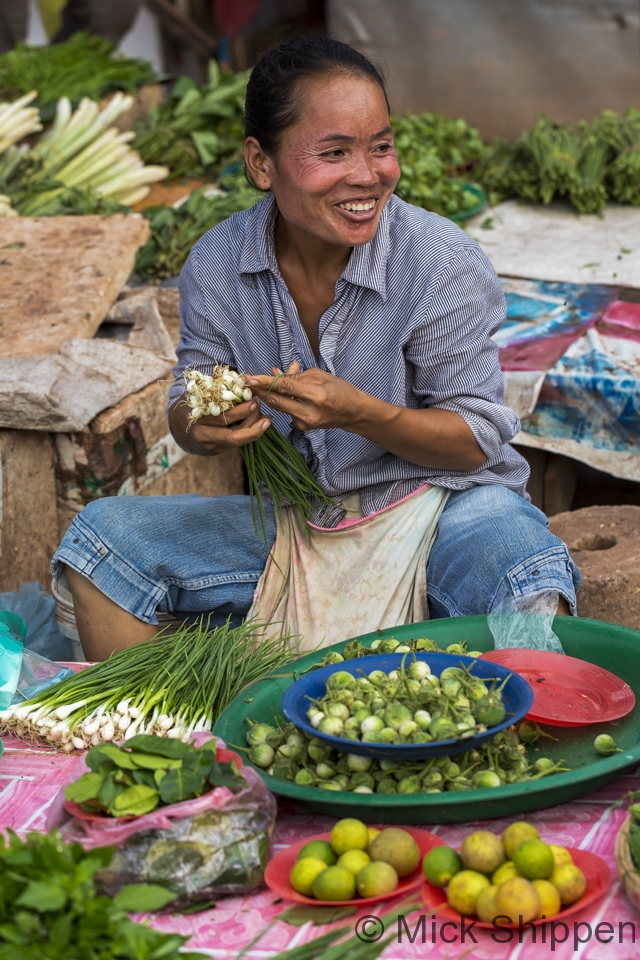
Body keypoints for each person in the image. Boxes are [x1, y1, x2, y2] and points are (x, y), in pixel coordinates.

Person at [52, 37, 580, 662]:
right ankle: (167, 745)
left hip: (443, 510)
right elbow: (186, 404)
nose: (368, 174)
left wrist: (359, 412)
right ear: (261, 163)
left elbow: (475, 439)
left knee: (522, 573)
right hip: (298, 523)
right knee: (103, 543)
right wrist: (204, 424)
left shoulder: (436, 259)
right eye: (333, 153)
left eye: (381, 146)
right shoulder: (218, 265)